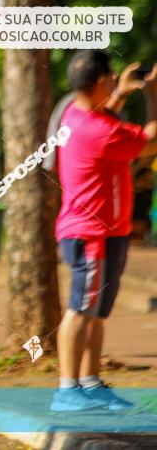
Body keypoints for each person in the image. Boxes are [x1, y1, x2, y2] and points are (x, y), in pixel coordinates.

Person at [52, 50, 157, 412]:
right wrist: (152, 95)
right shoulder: (99, 131)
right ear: (100, 81)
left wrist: (123, 93)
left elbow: (105, 112)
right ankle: (67, 390)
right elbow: (150, 140)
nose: (115, 79)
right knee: (79, 310)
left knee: (95, 312)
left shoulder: (76, 113)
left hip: (106, 231)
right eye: (112, 77)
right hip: (90, 234)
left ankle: (90, 383)